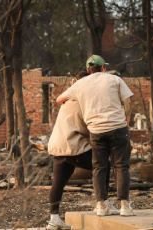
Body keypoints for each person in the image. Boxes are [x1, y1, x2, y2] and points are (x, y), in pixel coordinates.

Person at [56, 55, 134, 216]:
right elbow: (128, 100)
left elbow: (59, 99)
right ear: (103, 68)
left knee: (99, 167)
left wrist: (70, 100)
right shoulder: (114, 79)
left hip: (96, 131)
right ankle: (125, 206)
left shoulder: (80, 84)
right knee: (121, 166)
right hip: (118, 128)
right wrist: (127, 119)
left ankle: (101, 206)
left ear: (88, 69)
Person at [46, 77, 117, 230]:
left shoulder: (68, 99)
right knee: (103, 164)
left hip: (58, 145)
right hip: (73, 145)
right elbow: (91, 127)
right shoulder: (84, 100)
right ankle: (102, 203)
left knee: (58, 182)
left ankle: (54, 219)